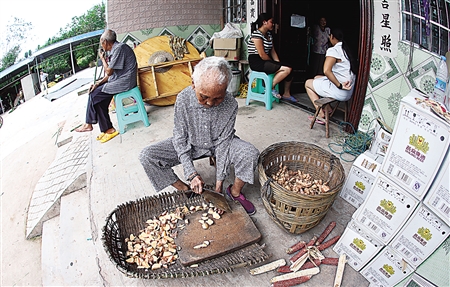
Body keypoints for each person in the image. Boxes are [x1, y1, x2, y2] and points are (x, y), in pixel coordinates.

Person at [139, 56, 259, 215]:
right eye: (203, 97)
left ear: (226, 89)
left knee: (250, 154)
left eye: (218, 98)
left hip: (219, 144)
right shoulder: (183, 99)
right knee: (147, 156)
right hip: (191, 143)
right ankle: (184, 189)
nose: (210, 103)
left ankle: (234, 192)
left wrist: (219, 185)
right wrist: (191, 173)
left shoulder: (231, 104)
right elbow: (180, 139)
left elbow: (224, 143)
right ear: (193, 84)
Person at [75, 29, 138, 143]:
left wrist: (103, 59)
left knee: (94, 95)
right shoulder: (115, 49)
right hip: (118, 80)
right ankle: (108, 129)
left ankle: (88, 124)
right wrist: (98, 83)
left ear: (104, 41)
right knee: (98, 98)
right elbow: (111, 75)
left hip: (125, 81)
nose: (101, 45)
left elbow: (108, 72)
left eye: (101, 42)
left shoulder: (119, 48)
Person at [305, 27, 357, 124]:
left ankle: (320, 114)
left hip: (341, 90)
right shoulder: (347, 50)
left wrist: (339, 85)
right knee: (316, 78)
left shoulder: (334, 50)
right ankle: (328, 108)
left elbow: (326, 71)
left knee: (308, 83)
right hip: (349, 92)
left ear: (332, 37)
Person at [247, 13, 297, 103]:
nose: (273, 24)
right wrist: (275, 64)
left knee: (290, 68)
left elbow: (273, 51)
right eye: (271, 22)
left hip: (265, 60)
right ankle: (270, 87)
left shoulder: (269, 35)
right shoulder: (256, 35)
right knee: (287, 69)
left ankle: (286, 94)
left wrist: (278, 62)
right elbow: (262, 55)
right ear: (264, 22)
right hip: (257, 61)